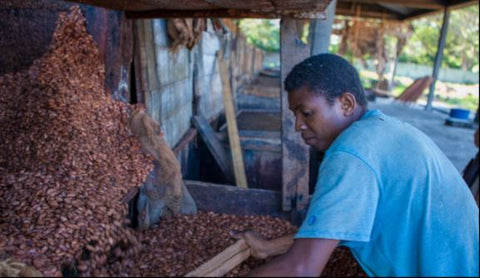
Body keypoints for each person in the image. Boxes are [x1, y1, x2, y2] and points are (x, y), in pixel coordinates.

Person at [231, 54, 479, 277]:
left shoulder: (350, 152)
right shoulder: (381, 129)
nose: (298, 125)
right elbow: (339, 225)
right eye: (295, 115)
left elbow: (301, 269)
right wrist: (268, 247)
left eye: (306, 113)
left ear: (346, 104)